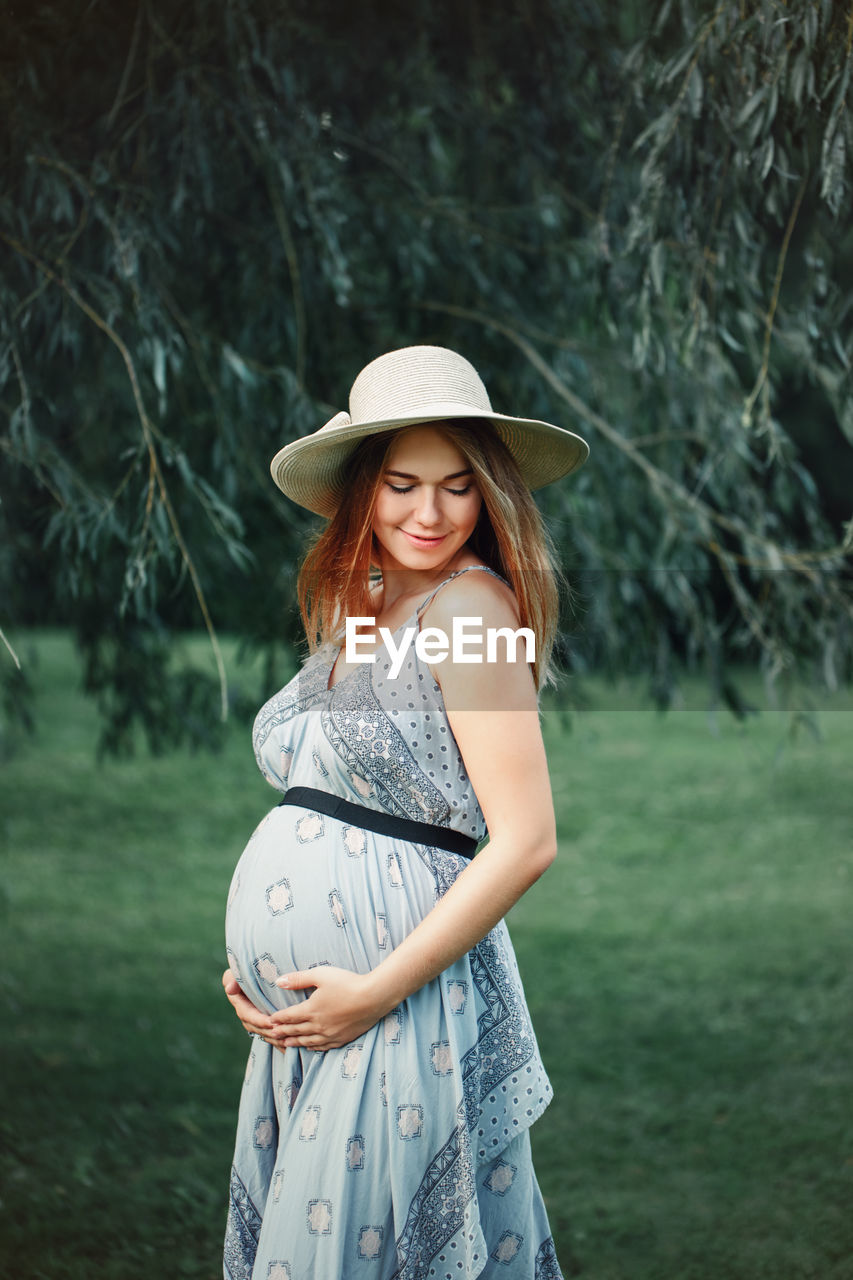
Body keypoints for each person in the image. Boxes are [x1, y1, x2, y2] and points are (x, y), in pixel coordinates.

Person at [220, 344, 589, 1280]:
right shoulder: (371, 604)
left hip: (393, 995)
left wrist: (374, 991)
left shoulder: (467, 604)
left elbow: (526, 840)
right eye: (401, 485)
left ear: (489, 496)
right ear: (361, 492)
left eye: (458, 487)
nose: (429, 514)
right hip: (327, 1007)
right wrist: (260, 975)